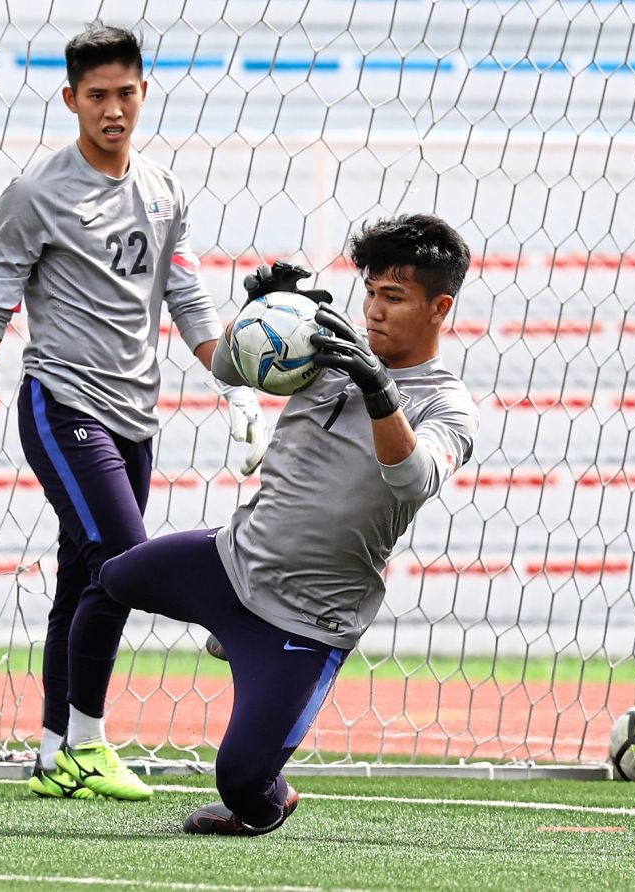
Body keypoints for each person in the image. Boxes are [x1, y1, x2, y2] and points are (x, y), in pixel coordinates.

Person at [0, 22, 271, 802]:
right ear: (70, 99)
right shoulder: (35, 195)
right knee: (124, 560)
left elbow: (187, 298)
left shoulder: (164, 189)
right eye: (96, 96)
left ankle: (55, 754)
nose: (113, 110)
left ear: (144, 91)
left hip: (136, 416)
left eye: (125, 94)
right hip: (62, 405)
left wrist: (236, 384)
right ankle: (93, 737)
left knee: (85, 579)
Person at [95, 214, 479, 834]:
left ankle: (272, 786)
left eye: (394, 297)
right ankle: (76, 741)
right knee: (111, 578)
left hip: (311, 617)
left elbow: (414, 479)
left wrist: (378, 390)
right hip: (234, 563)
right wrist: (259, 313)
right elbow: (226, 368)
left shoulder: (446, 403)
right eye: (370, 293)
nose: (374, 311)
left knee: (242, 785)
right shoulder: (325, 346)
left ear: (440, 308)